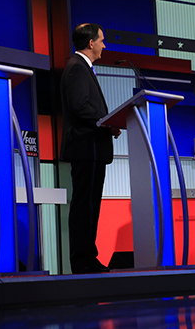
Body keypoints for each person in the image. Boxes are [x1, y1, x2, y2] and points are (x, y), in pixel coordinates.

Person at [60, 23, 120, 274]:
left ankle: (87, 257)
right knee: (85, 205)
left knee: (90, 205)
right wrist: (107, 123)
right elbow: (80, 106)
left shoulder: (83, 68)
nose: (104, 45)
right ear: (91, 43)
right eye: (102, 41)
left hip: (93, 148)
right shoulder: (77, 68)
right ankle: (83, 259)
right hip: (87, 147)